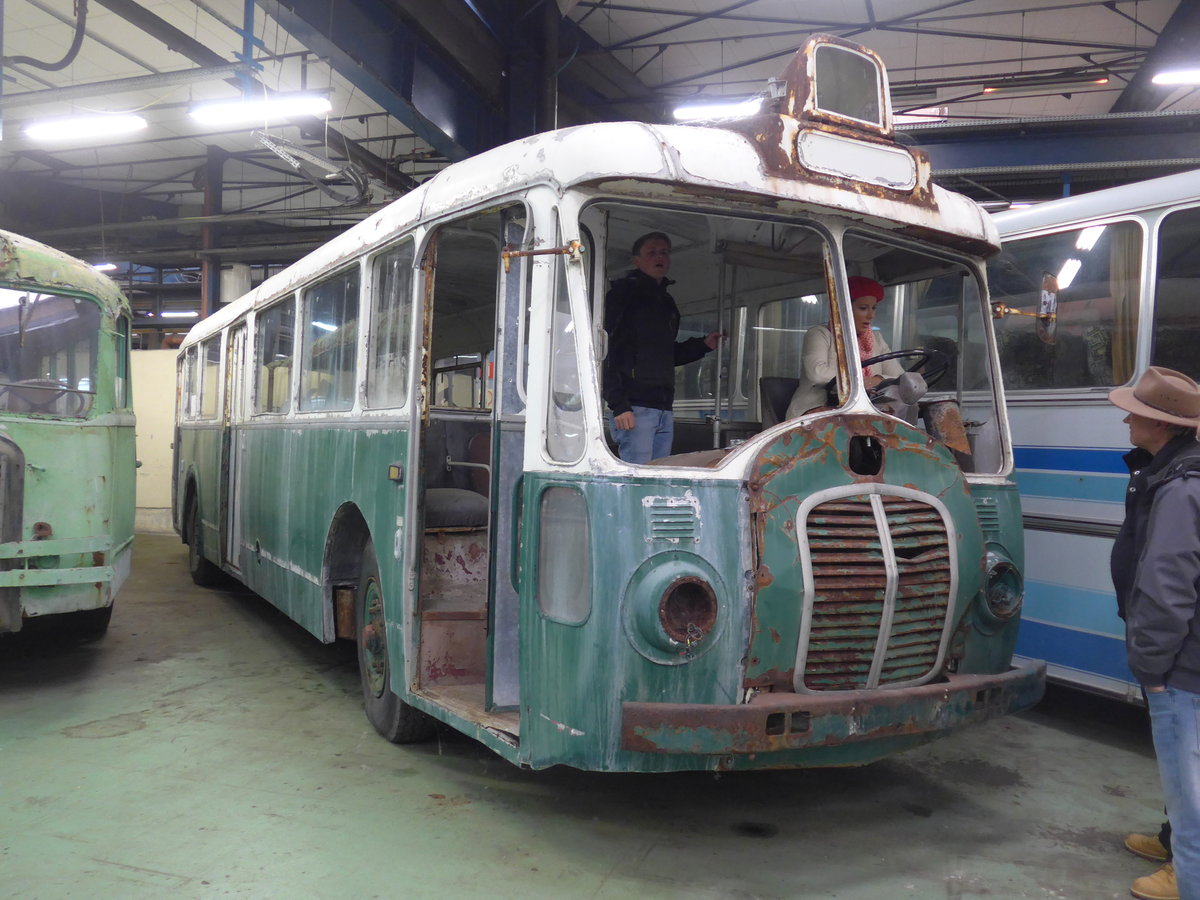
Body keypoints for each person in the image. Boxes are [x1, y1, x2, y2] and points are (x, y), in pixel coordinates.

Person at [1109, 366, 1200, 900]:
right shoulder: (1174, 470)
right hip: (1183, 662)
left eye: (1135, 412)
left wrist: (1150, 665)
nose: (1126, 417)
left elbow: (1168, 585)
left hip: (1179, 669)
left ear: (1159, 425)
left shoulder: (1181, 486)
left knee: (1190, 805)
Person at [602, 232, 720, 463]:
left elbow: (665, 354)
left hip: (664, 407)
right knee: (637, 476)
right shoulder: (622, 297)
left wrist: (702, 346)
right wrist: (619, 405)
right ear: (636, 260)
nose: (660, 257)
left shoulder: (666, 303)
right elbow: (607, 352)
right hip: (635, 407)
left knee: (658, 473)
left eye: (664, 252)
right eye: (652, 252)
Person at [785, 275, 905, 419]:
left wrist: (878, 379)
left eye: (874, 308)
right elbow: (817, 373)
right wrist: (859, 382)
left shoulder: (876, 339)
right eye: (863, 308)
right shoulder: (820, 334)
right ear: (844, 308)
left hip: (859, 414)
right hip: (814, 415)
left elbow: (899, 376)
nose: (871, 315)